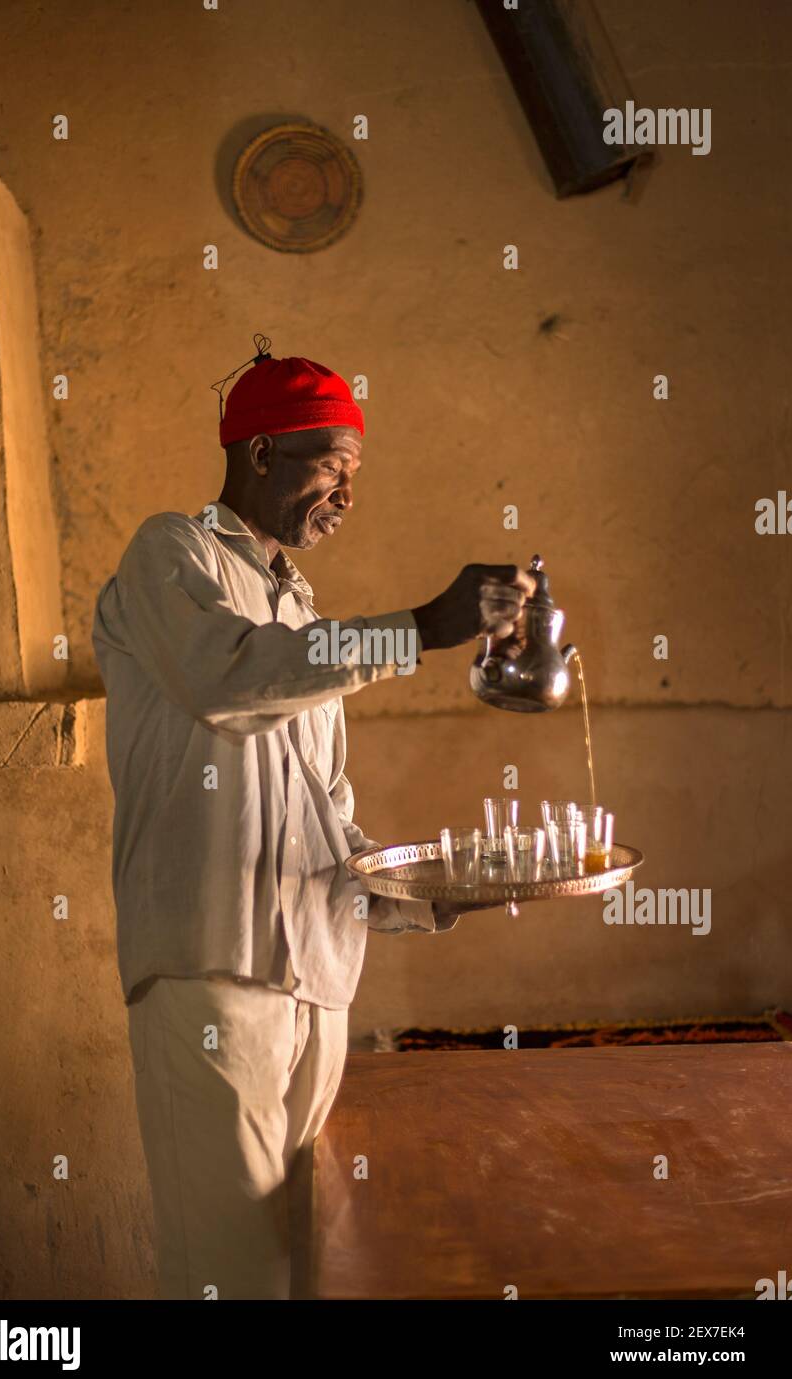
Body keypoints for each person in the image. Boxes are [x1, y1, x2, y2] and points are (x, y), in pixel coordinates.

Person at [92, 348, 535, 1299]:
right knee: (229, 1269)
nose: (344, 491)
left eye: (353, 473)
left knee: (305, 1262)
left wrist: (438, 890)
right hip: (212, 963)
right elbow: (228, 678)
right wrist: (422, 625)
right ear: (259, 451)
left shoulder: (301, 607)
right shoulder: (173, 554)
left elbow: (328, 821)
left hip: (317, 976)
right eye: (330, 463)